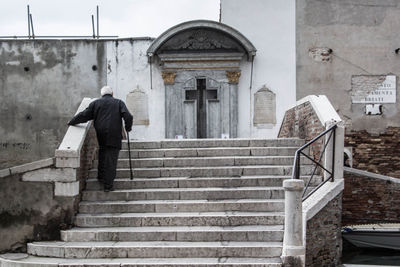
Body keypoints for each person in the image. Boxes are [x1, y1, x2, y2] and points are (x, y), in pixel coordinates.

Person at [68, 86, 133, 192]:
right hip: (114, 135)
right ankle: (108, 185)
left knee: (102, 153)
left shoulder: (96, 103)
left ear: (101, 94)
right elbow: (128, 116)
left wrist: (72, 121)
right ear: (112, 94)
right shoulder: (119, 103)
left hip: (101, 134)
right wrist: (128, 127)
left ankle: (101, 176)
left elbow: (84, 115)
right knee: (111, 160)